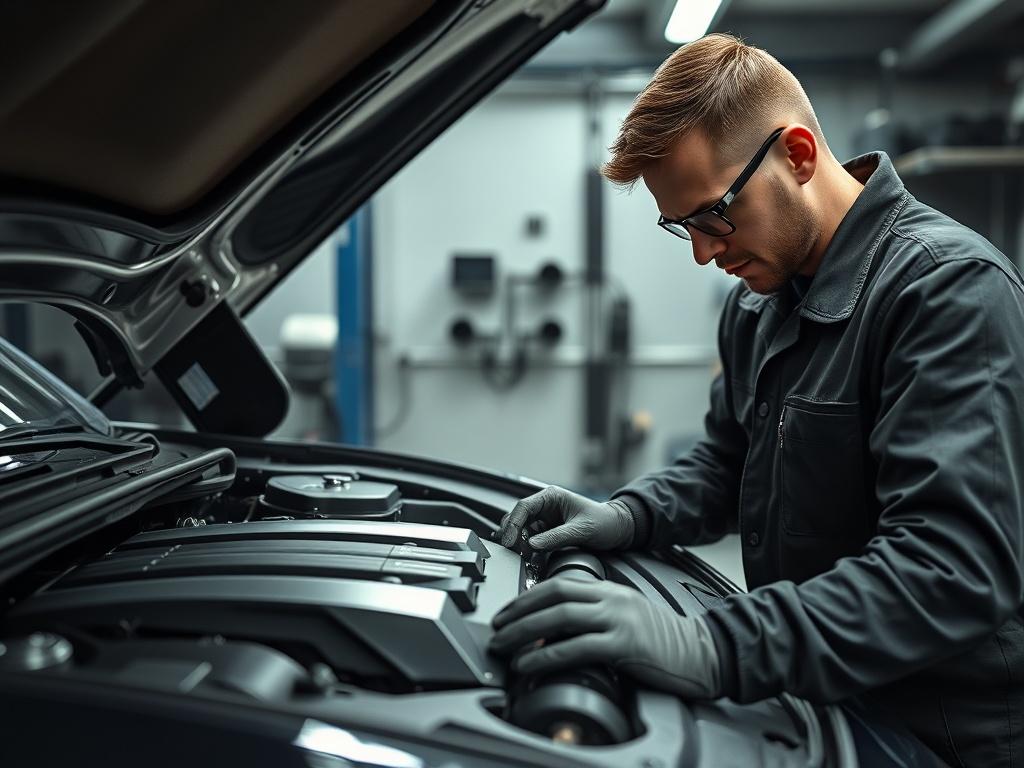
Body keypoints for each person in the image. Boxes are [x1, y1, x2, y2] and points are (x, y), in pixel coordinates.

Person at [488, 34, 1024, 767]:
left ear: (798, 156)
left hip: (941, 733)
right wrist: (627, 514)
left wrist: (709, 643)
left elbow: (953, 567)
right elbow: (728, 460)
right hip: (819, 696)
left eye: (713, 215)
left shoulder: (945, 291)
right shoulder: (758, 305)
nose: (704, 253)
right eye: (682, 226)